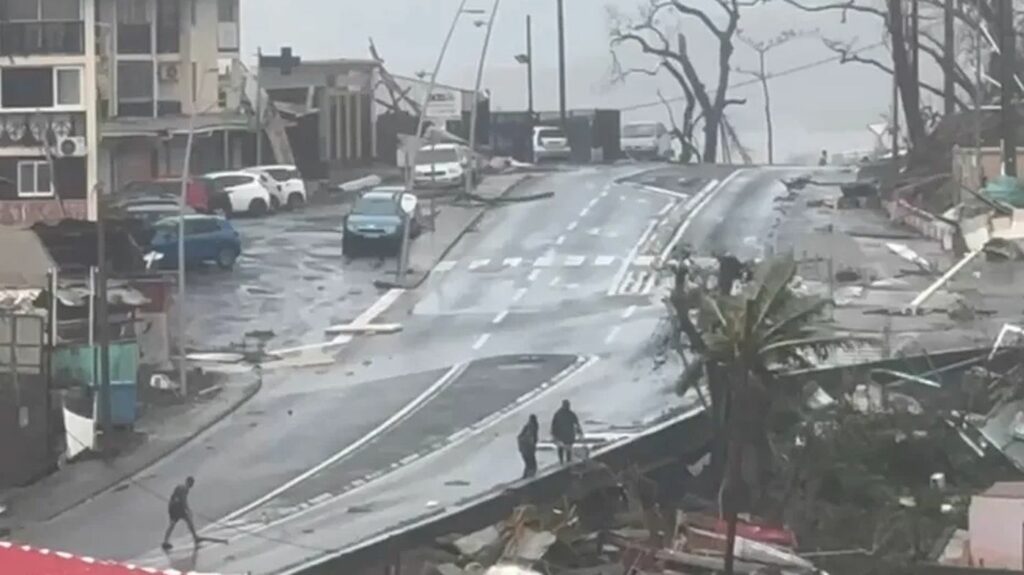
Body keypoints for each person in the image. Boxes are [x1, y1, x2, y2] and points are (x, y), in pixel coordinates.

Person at [162, 476, 198, 550]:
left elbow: (176, 498)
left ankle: (165, 541)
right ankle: (195, 538)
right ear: (188, 483)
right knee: (188, 521)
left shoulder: (180, 487)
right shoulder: (184, 489)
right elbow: (183, 501)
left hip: (173, 507)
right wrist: (188, 510)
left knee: (173, 524)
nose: (191, 485)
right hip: (177, 508)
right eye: (191, 483)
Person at [551, 400, 582, 464]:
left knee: (566, 448)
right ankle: (563, 461)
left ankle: (566, 461)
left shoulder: (561, 414)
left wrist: (579, 430)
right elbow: (554, 425)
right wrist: (554, 434)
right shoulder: (561, 414)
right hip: (563, 434)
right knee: (563, 448)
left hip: (567, 435)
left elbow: (576, 423)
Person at [517, 414, 539, 478]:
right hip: (528, 448)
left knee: (529, 463)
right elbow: (530, 438)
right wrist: (532, 444)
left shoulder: (527, 427)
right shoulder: (532, 427)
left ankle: (526, 476)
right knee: (531, 464)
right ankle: (529, 476)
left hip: (525, 448)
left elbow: (520, 437)